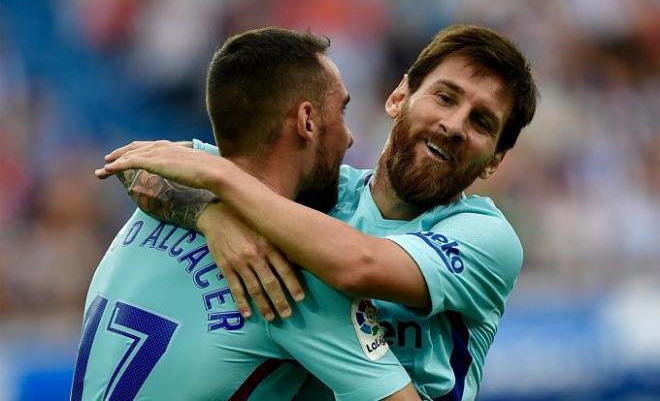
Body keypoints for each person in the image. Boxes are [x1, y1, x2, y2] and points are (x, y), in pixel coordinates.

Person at [100, 24, 539, 400]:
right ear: (399, 96)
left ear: (495, 160)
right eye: (445, 97)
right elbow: (140, 166)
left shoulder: (486, 238)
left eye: (482, 122)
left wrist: (222, 184)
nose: (455, 125)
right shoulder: (315, 188)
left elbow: (358, 263)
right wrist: (211, 217)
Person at [72, 27, 420, 401]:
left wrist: (208, 214)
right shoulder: (285, 278)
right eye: (342, 111)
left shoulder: (173, 188)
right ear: (307, 121)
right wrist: (211, 216)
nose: (349, 136)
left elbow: (130, 163)